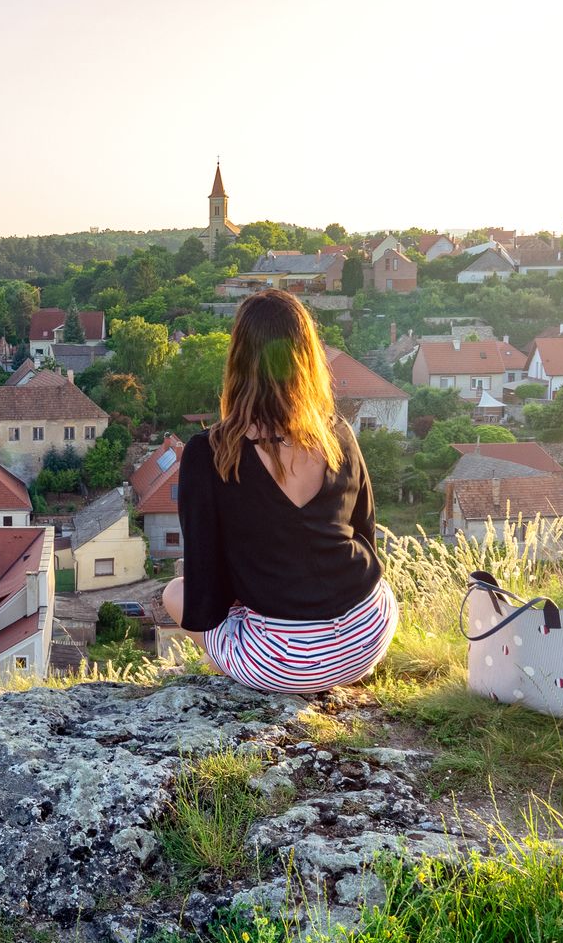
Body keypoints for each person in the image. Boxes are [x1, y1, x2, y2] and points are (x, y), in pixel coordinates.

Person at [162, 289, 396, 694]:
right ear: (307, 359)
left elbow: (203, 590)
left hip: (285, 662)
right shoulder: (338, 432)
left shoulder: (211, 453)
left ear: (238, 361)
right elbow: (365, 533)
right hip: (369, 632)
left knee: (172, 593)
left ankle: (248, 673)